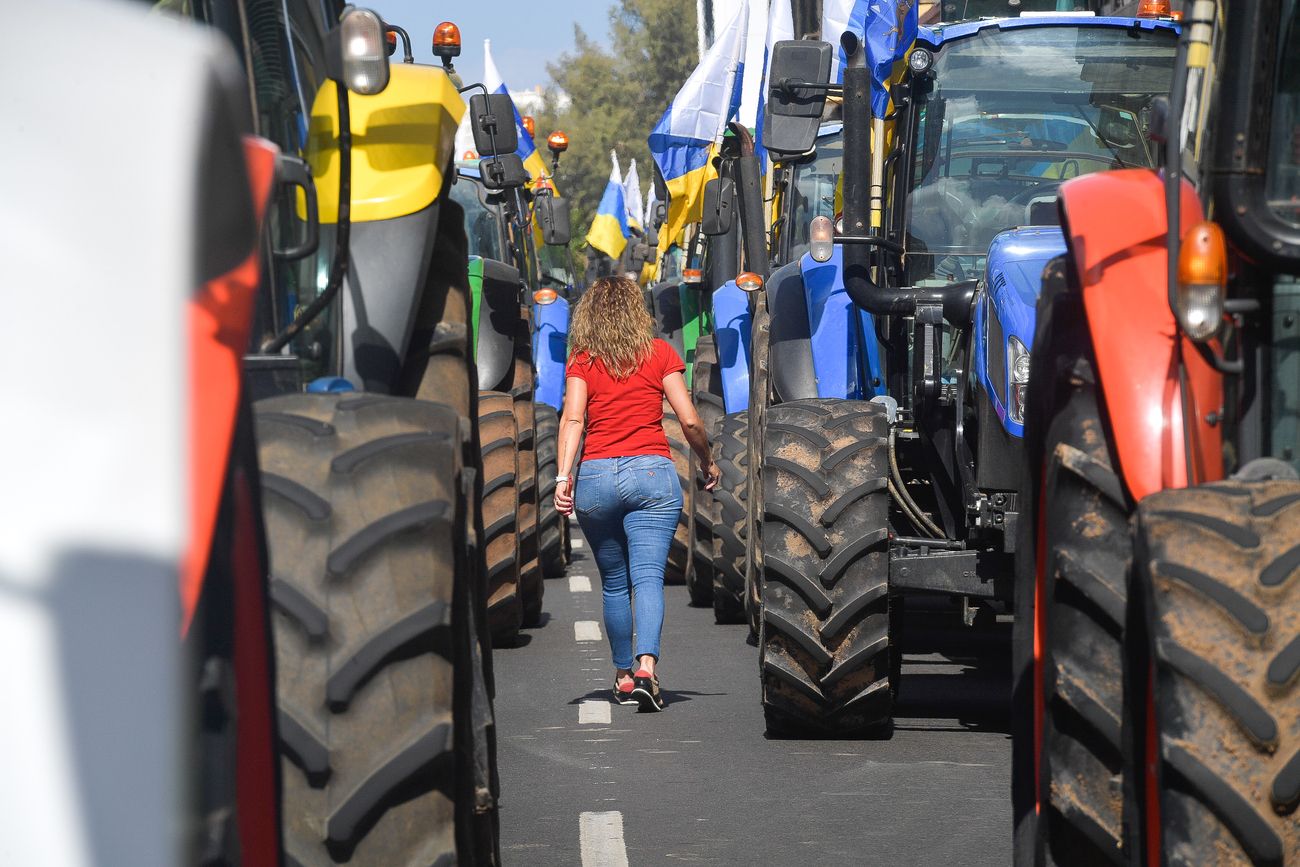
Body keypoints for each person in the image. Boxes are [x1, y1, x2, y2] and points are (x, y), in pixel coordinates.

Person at [553, 276, 720, 712]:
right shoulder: (659, 354)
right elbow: (689, 421)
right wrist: (707, 461)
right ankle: (648, 667)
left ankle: (623, 676)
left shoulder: (582, 360)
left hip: (596, 478)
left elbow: (572, 420)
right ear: (636, 313)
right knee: (647, 578)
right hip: (651, 474)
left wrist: (562, 478)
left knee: (613, 583)